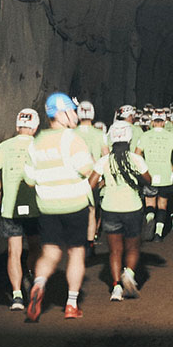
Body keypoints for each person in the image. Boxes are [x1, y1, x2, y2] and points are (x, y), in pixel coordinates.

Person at [24, 93, 97, 321]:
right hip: (74, 204)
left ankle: (39, 284)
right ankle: (71, 304)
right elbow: (87, 170)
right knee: (76, 252)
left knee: (50, 252)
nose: (75, 115)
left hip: (47, 207)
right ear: (63, 113)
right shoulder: (72, 139)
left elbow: (29, 180)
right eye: (72, 111)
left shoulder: (36, 143)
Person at [90, 121, 151, 301]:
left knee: (115, 250)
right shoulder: (136, 159)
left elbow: (91, 184)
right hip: (132, 207)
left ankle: (116, 287)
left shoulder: (104, 160)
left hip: (110, 208)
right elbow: (148, 180)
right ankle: (129, 273)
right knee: (133, 246)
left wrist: (105, 183)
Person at [0, 108, 42, 311]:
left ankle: (17, 295)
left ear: (17, 126)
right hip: (36, 207)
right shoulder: (39, 146)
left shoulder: (5, 146)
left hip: (10, 208)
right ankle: (31, 277)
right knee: (36, 247)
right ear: (35, 127)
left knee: (14, 251)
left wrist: (0, 191)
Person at [134, 109, 173, 241]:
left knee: (150, 202)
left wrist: (142, 167)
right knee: (163, 205)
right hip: (166, 175)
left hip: (149, 175)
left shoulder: (145, 136)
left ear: (152, 122)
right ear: (165, 122)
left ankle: (150, 218)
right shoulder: (171, 136)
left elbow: (136, 154)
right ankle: (158, 233)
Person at [75, 101, 109, 257]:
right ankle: (89, 244)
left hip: (73, 178)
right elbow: (107, 156)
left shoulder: (71, 133)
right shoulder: (99, 134)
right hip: (92, 178)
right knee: (91, 211)